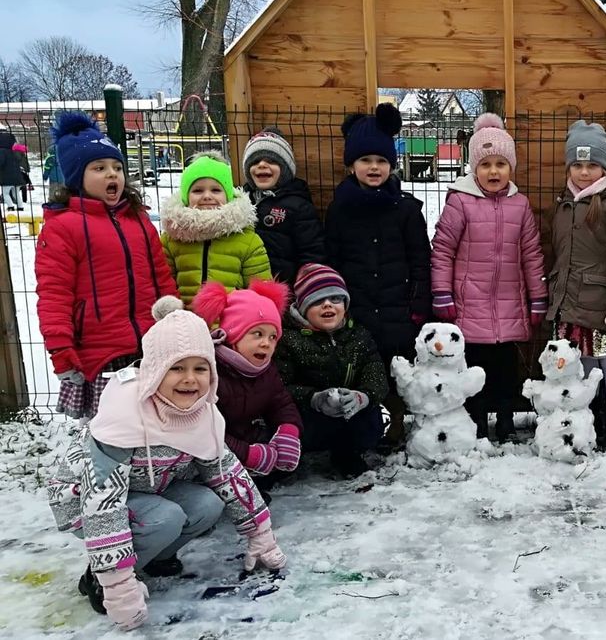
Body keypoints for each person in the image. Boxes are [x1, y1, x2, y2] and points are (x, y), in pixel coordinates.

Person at [46, 298, 285, 631]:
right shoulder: (125, 414)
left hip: (150, 488)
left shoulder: (202, 412)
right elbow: (102, 501)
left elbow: (228, 474)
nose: (189, 379)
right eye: (176, 368)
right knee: (165, 518)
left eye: (200, 368)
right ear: (155, 368)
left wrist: (261, 535)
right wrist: (117, 586)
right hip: (83, 499)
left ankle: (154, 557)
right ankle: (98, 578)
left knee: (207, 503)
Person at [35, 112, 177, 419]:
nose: (112, 175)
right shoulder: (62, 228)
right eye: (99, 168)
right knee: (111, 427)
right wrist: (60, 348)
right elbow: (53, 294)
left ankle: (155, 467)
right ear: (76, 178)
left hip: (149, 343)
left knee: (154, 421)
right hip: (100, 351)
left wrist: (173, 319)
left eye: (117, 167)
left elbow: (161, 277)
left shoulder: (139, 221)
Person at [430, 114, 546, 442]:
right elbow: (442, 251)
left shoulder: (520, 205)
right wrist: (442, 293)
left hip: (509, 303)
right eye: (485, 165)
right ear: (473, 168)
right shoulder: (460, 202)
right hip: (469, 304)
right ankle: (477, 421)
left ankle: (507, 420)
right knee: (475, 370)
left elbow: (531, 254)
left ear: (511, 168)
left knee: (506, 370)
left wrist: (537, 297)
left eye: (501, 164)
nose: (493, 172)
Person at [324, 104, 431, 451]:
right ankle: (364, 429)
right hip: (357, 308)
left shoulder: (407, 210)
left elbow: (420, 260)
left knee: (397, 371)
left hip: (398, 308)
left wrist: (418, 302)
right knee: (361, 372)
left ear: (391, 165)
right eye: (366, 160)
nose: (374, 167)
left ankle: (398, 424)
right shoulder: (340, 208)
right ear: (352, 164)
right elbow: (333, 259)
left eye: (382, 161)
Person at [547, 119, 606, 450]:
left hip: (602, 303)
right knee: (582, 362)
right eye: (578, 165)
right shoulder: (564, 204)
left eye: (592, 165)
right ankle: (589, 420)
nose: (584, 172)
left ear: (604, 167)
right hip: (570, 301)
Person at [275, 263, 391, 477]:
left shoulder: (358, 335)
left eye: (335, 299)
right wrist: (314, 399)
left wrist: (361, 397)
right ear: (302, 306)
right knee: (290, 423)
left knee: (374, 419)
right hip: (308, 413)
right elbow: (279, 387)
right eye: (318, 301)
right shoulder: (288, 339)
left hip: (346, 411)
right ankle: (288, 460)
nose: (328, 305)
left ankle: (347, 454)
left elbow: (375, 375)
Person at [192, 280, 302, 499]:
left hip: (245, 437)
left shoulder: (265, 370)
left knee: (287, 455)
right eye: (257, 334)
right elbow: (202, 428)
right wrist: (247, 454)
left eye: (272, 337)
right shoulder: (210, 369)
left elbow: (281, 402)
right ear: (233, 335)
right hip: (209, 451)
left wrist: (288, 431)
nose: (266, 344)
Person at [161, 151, 272, 304]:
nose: (207, 196)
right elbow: (163, 286)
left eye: (216, 190)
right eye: (198, 190)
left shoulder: (248, 240)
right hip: (185, 322)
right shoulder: (172, 238)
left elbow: (261, 292)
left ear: (228, 195)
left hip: (233, 323)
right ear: (186, 197)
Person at [241, 128, 326, 285]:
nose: (262, 165)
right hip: (247, 289)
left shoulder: (298, 206)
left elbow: (312, 252)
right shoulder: (240, 201)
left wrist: (306, 287)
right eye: (254, 161)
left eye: (272, 161)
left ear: (286, 169)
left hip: (285, 288)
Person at [0, 129, 23, 210]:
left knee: (5, 193)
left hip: (7, 177)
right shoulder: (14, 151)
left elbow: (1, 162)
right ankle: (20, 207)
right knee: (16, 193)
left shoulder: (2, 151)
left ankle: (10, 206)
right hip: (17, 177)